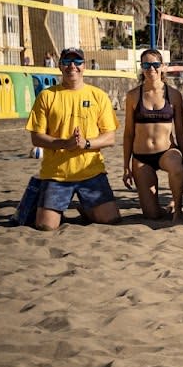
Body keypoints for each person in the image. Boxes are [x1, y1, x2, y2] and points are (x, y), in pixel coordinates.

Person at [25, 47, 121, 230]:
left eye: (77, 62)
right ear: (60, 66)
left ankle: (85, 208)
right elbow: (36, 138)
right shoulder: (47, 96)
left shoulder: (98, 96)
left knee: (111, 220)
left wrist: (86, 143)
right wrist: (64, 144)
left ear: (84, 66)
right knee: (46, 227)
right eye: (67, 62)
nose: (72, 66)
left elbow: (110, 138)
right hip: (57, 174)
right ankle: (51, 206)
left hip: (90, 172)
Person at [122, 48, 183, 221]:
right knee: (151, 215)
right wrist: (125, 165)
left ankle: (178, 210)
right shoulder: (133, 96)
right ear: (141, 67)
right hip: (141, 157)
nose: (151, 69)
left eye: (155, 64)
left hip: (166, 151)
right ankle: (168, 209)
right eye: (146, 65)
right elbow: (128, 133)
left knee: (176, 166)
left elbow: (180, 131)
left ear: (163, 66)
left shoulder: (173, 95)